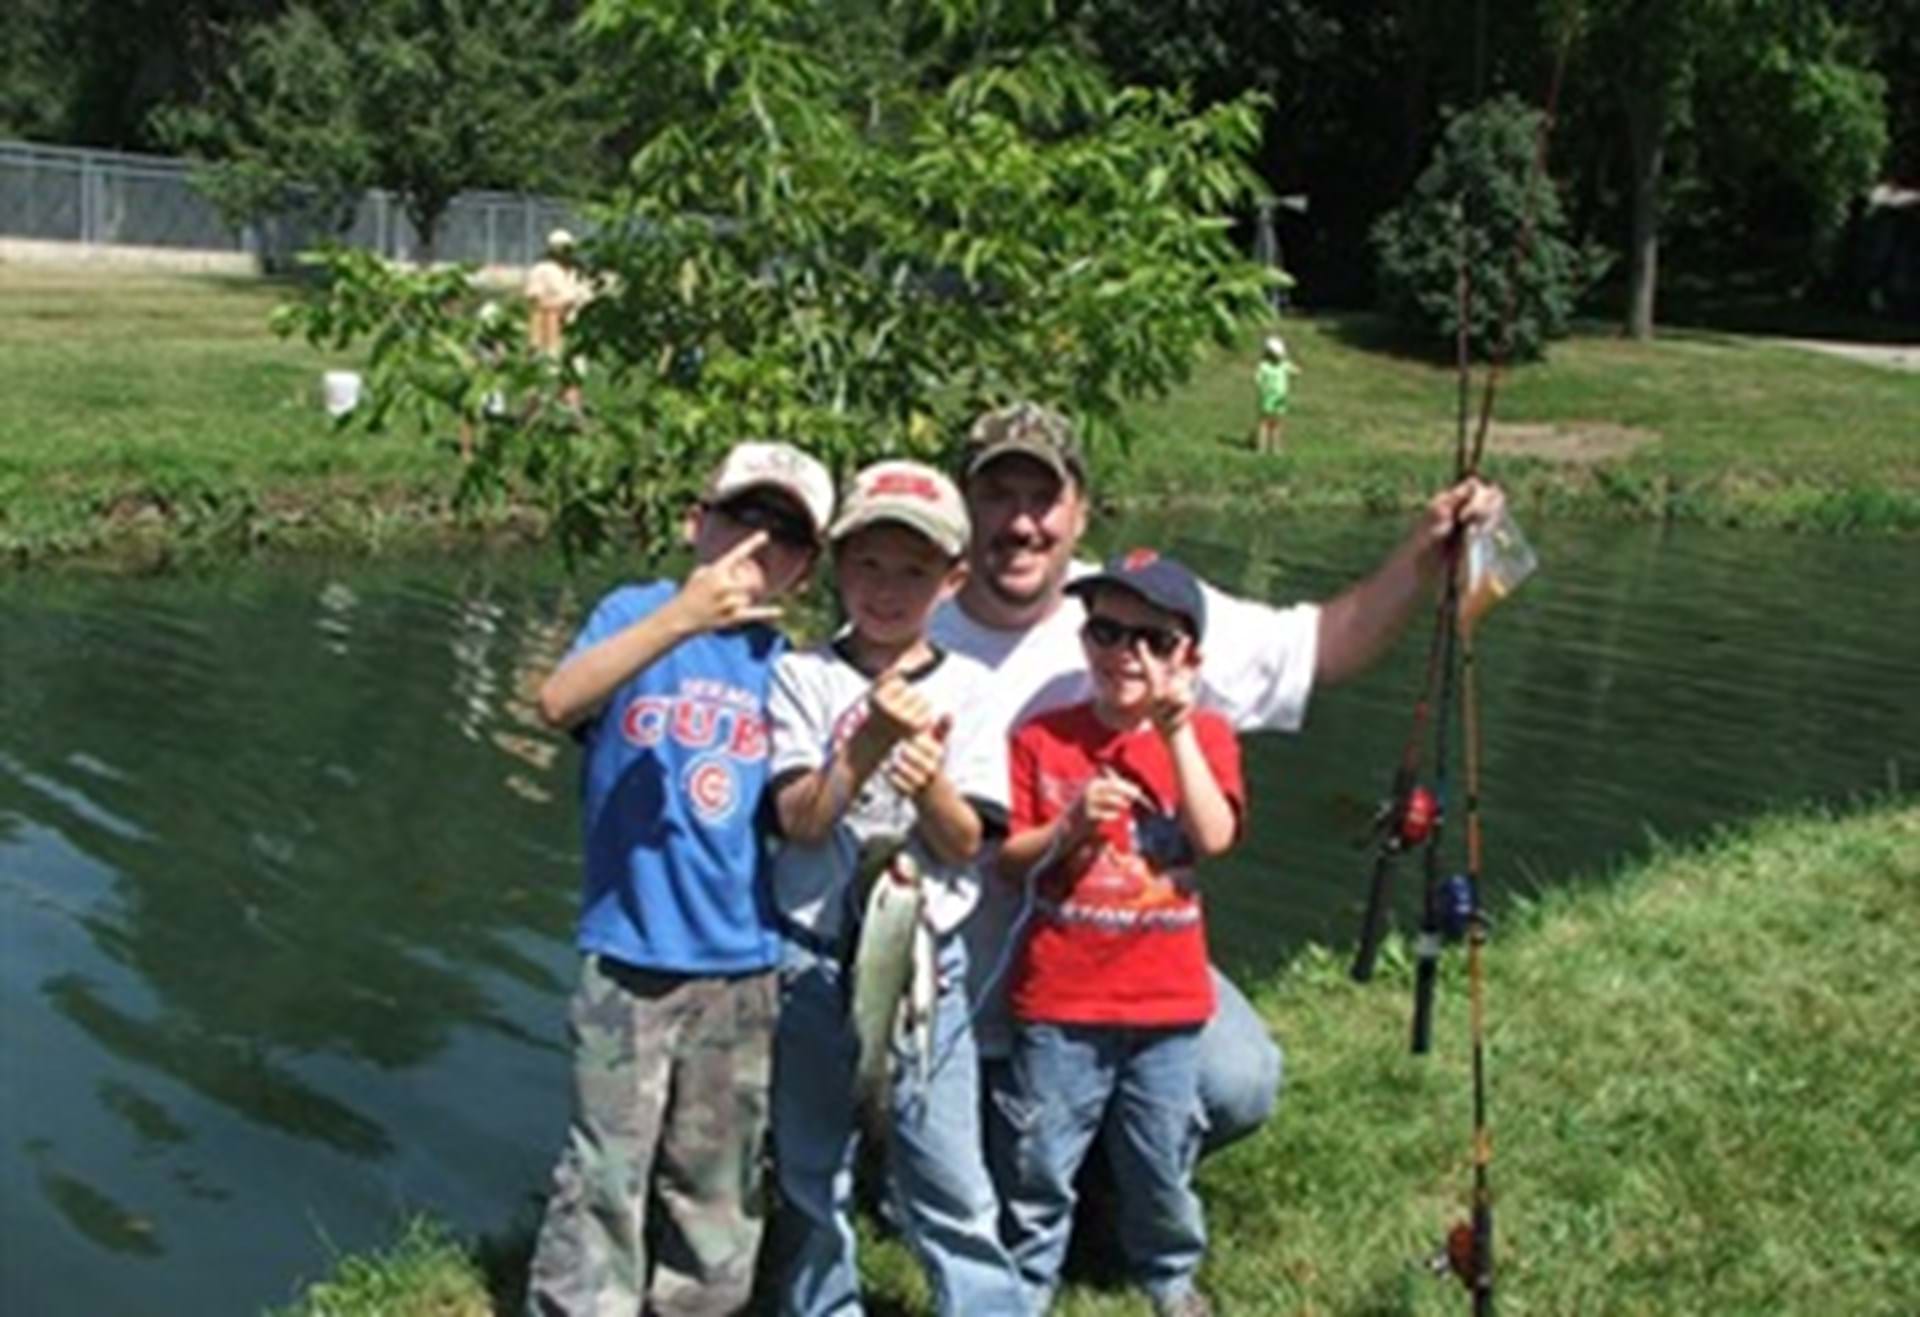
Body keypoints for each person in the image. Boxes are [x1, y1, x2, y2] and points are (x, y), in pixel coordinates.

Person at [925, 401, 1503, 1172]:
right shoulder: (910, 633)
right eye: (998, 495)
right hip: (970, 983)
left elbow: (1321, 647)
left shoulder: (1144, 606)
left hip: (1122, 959)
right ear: (965, 504)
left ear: (1081, 508)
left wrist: (1424, 553)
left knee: (1236, 1078)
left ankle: (1114, 1180)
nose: (1021, 522)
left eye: (1044, 497)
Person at [524, 440, 836, 1317]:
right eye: (742, 517)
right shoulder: (635, 615)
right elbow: (558, 702)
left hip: (743, 961)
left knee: (717, 1174)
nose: (754, 547)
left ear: (805, 568)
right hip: (627, 953)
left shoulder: (792, 669)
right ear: (696, 522)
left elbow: (806, 808)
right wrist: (682, 619)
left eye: (784, 535)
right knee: (603, 1170)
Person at [763, 459, 1026, 1316]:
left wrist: (929, 786)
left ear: (952, 580)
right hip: (806, 966)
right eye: (869, 564)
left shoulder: (973, 691)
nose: (886, 588)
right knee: (808, 1172)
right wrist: (870, 741)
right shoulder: (803, 676)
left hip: (925, 969)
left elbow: (965, 842)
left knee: (951, 1177)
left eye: (914, 571)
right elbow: (802, 819)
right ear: (838, 565)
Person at [996, 550, 1244, 1317]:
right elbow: (1009, 858)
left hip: (1165, 1003)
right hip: (1061, 998)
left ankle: (1170, 1275)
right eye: (1105, 631)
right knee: (1039, 1157)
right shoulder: (1043, 737)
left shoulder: (1206, 735)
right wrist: (1068, 827)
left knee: (1160, 1157)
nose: (1125, 654)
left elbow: (1213, 834)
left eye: (1152, 639)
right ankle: (1025, 1282)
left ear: (1187, 656)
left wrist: (1174, 736)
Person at [525, 227, 594, 407]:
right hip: (551, 329)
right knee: (544, 377)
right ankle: (529, 418)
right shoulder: (542, 270)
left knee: (575, 376)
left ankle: (576, 417)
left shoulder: (578, 272)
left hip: (575, 330)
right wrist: (534, 340)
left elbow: (586, 299)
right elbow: (536, 304)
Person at [1254, 335, 1301, 454]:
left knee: (1277, 423)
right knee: (1264, 423)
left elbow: (1295, 370)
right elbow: (1258, 379)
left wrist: (1296, 370)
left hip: (1281, 399)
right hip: (1267, 398)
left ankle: (1276, 448)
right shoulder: (1264, 366)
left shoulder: (1283, 364)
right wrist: (1264, 389)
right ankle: (1261, 447)